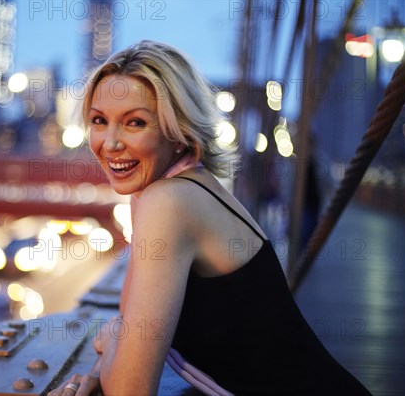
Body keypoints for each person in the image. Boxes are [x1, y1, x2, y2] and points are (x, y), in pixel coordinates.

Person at [48, 40, 371, 396]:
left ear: (179, 130)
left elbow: (130, 389)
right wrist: (101, 368)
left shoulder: (168, 201)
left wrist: (110, 344)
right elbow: (131, 320)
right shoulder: (172, 189)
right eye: (99, 120)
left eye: (135, 122)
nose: (110, 143)